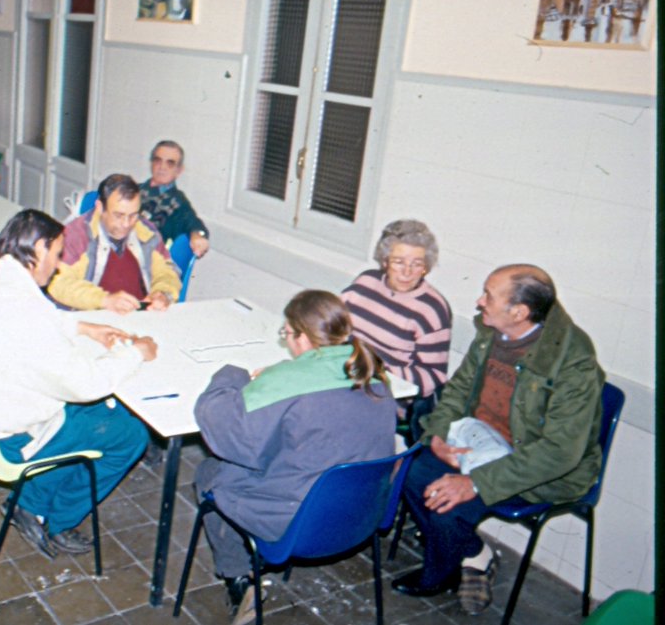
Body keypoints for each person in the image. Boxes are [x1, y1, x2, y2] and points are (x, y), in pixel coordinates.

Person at [0, 209, 156, 558]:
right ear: (39, 249)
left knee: (99, 414)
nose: (57, 265)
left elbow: (37, 317)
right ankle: (53, 518)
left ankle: (33, 500)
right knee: (129, 435)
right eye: (56, 254)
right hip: (18, 437)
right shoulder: (24, 313)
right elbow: (86, 383)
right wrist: (136, 353)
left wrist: (85, 328)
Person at [393, 265, 604, 616]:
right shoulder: (493, 331)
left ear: (519, 312)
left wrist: (475, 483)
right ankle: (475, 553)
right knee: (408, 470)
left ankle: (441, 571)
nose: (479, 302)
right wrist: (438, 436)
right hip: (479, 441)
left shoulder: (574, 364)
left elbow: (559, 452)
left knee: (447, 502)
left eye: (488, 295)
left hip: (536, 464)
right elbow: (458, 389)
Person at [194, 290, 396, 623]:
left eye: (287, 334)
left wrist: (231, 375)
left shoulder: (285, 379)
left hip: (295, 519)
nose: (287, 342)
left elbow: (225, 432)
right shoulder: (374, 374)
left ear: (301, 336)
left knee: (210, 473)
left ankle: (240, 578)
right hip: (360, 513)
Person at [341, 219, 452, 434]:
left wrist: (377, 371)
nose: (407, 272)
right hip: (349, 377)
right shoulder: (365, 283)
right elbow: (335, 327)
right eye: (399, 261)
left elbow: (434, 376)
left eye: (417, 264)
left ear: (426, 267)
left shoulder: (431, 309)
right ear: (384, 261)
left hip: (387, 396)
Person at [49, 173, 181, 313]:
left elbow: (167, 270)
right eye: (118, 215)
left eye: (133, 215)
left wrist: (162, 293)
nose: (126, 224)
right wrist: (105, 300)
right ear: (100, 207)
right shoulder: (75, 235)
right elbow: (58, 283)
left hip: (141, 315)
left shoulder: (147, 232)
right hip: (94, 317)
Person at [139, 140, 209, 258]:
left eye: (170, 163)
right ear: (151, 163)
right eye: (158, 160)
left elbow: (193, 223)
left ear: (179, 170)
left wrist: (198, 235)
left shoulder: (178, 203)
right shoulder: (133, 190)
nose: (162, 167)